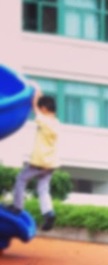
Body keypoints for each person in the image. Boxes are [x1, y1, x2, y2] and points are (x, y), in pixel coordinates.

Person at [11, 83, 59, 231]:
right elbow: (40, 106)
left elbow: (34, 106)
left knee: (21, 179)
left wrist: (36, 89)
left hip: (40, 162)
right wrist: (41, 95)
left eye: (41, 108)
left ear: (45, 109)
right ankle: (49, 213)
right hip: (51, 164)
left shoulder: (44, 121)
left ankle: (17, 207)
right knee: (43, 189)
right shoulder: (55, 122)